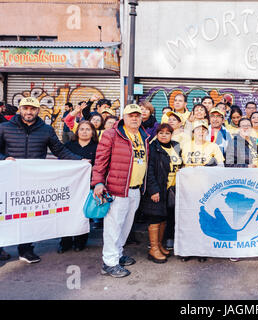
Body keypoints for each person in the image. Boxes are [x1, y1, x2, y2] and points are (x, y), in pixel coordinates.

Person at [0, 97, 82, 264]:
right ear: (20, 109)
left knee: (27, 215)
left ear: (38, 110)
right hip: (9, 181)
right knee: (5, 213)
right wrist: (4, 158)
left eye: (32, 109)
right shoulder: (4, 128)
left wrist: (80, 161)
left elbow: (59, 150)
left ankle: (26, 250)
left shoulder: (46, 130)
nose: (29, 112)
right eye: (25, 108)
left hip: (32, 181)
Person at [91, 104, 150, 278]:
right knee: (113, 226)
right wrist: (98, 183)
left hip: (135, 188)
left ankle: (117, 254)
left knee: (125, 226)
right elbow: (100, 160)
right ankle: (109, 262)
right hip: (116, 189)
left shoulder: (143, 135)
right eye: (130, 115)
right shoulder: (111, 135)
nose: (134, 118)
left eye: (137, 116)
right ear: (123, 117)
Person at [180, 120, 224, 262]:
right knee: (187, 219)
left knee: (203, 219)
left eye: (204, 130)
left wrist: (206, 169)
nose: (201, 132)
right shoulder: (186, 146)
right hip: (188, 188)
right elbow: (179, 164)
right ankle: (187, 250)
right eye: (198, 129)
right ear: (193, 132)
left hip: (206, 188)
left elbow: (221, 166)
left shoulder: (213, 146)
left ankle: (201, 250)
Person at [141, 123, 182, 263]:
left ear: (172, 134)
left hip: (171, 188)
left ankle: (159, 245)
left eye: (167, 133)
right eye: (161, 133)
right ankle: (153, 249)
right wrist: (153, 190)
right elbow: (149, 170)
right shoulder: (153, 148)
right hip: (158, 187)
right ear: (157, 134)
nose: (164, 135)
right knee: (155, 217)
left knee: (163, 217)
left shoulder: (176, 146)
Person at [58, 121, 98, 253]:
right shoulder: (69, 146)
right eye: (82, 129)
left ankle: (80, 241)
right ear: (77, 131)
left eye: (88, 129)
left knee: (82, 214)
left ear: (92, 132)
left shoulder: (97, 147)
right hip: (70, 185)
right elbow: (62, 161)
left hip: (87, 186)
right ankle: (65, 242)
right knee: (66, 213)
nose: (84, 131)